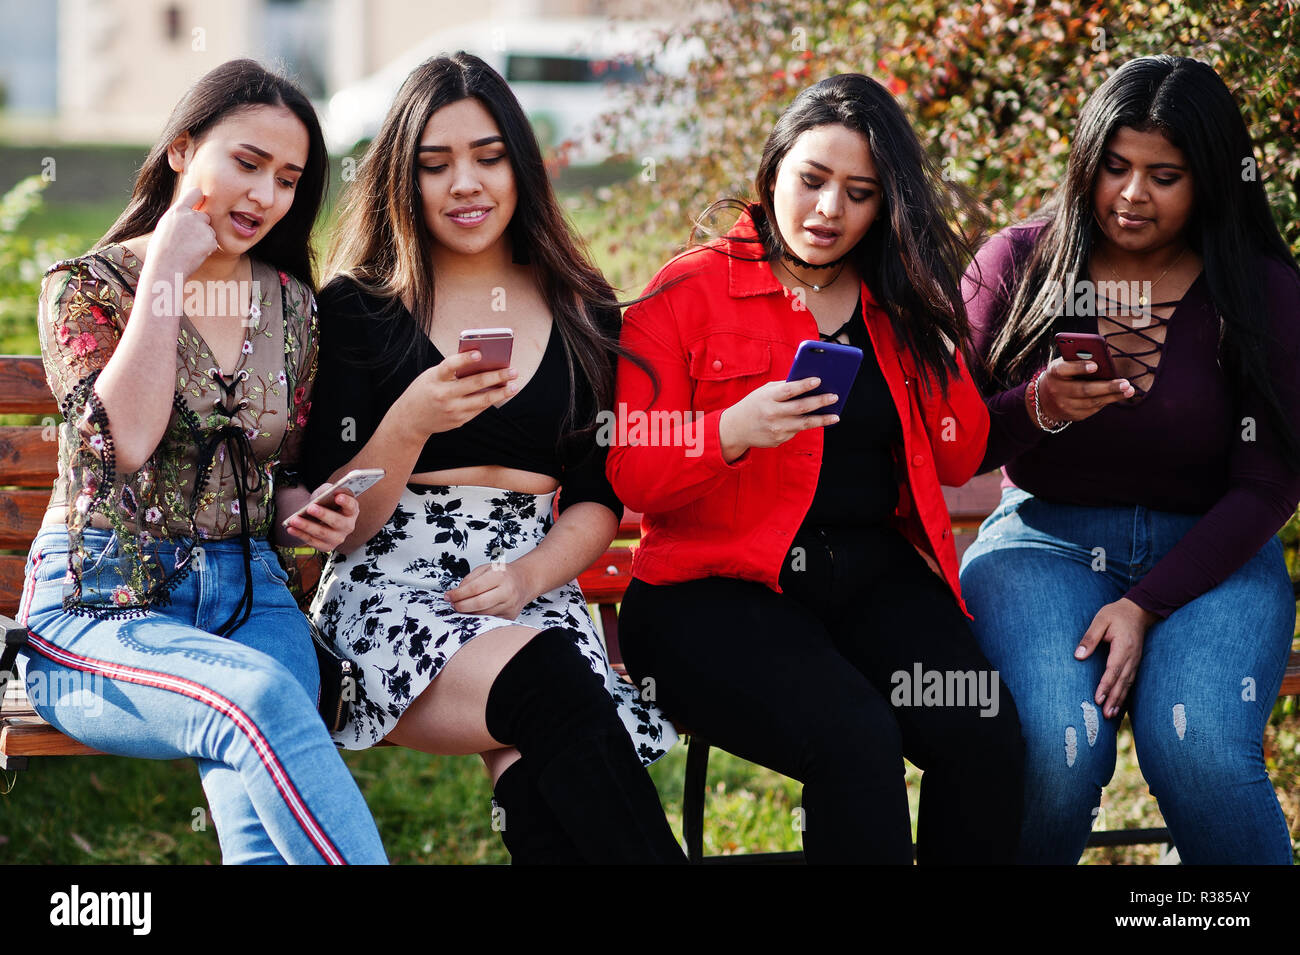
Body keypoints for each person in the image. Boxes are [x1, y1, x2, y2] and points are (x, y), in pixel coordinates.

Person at [606, 73, 1025, 864]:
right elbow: (632, 471)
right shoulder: (687, 291)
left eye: (860, 193)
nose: (830, 210)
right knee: (855, 739)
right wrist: (731, 430)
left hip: (868, 583)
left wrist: (942, 351)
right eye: (813, 180)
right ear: (773, 175)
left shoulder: (896, 300)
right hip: (709, 593)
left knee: (983, 730)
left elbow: (962, 453)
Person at [300, 53, 682, 864]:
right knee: (555, 693)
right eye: (435, 165)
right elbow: (342, 524)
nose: (465, 183)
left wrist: (527, 576)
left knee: (546, 782)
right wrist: (410, 421)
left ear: (520, 164)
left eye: (488, 156)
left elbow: (595, 500)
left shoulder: (582, 305)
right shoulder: (362, 308)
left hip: (531, 590)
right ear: (404, 178)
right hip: (393, 598)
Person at [17, 60, 387, 864]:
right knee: (257, 699)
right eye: (246, 163)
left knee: (258, 810)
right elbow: (125, 442)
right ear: (183, 151)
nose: (265, 196)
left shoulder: (291, 303)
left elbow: (280, 475)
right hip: (104, 604)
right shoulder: (85, 287)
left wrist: (311, 513)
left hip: (253, 594)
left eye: (288, 179)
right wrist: (164, 276)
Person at [959, 55, 1300, 864]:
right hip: (1042, 545)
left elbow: (1268, 483)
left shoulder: (1263, 291)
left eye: (1164, 174)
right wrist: (1037, 407)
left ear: (1211, 179)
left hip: (1215, 555)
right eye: (1113, 166)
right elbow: (954, 441)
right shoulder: (1015, 264)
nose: (1131, 193)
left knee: (1201, 750)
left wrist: (1145, 603)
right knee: (1057, 748)